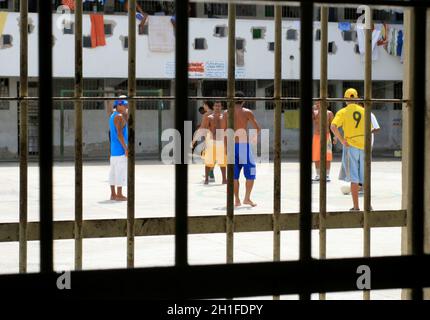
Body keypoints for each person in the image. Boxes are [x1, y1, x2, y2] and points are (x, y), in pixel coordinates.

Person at [331, 88, 372, 211]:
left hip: (350, 146)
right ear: (357, 98)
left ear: (345, 99)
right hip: (364, 146)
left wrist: (342, 139)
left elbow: (333, 126)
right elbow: (369, 128)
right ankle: (368, 206)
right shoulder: (364, 111)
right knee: (365, 176)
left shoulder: (342, 112)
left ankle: (356, 206)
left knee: (354, 178)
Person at [223, 91, 261, 207]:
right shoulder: (247, 112)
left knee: (233, 175)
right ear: (243, 101)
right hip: (243, 145)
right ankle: (247, 198)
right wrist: (253, 138)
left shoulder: (226, 113)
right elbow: (258, 128)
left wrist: (225, 148)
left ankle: (237, 200)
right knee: (251, 172)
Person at [200, 101, 227, 184]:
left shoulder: (224, 117)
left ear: (221, 107)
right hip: (211, 142)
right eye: (216, 106)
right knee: (208, 161)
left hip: (221, 142)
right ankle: (207, 179)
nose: (217, 107)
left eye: (219, 106)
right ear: (213, 107)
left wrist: (227, 144)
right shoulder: (209, 117)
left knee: (223, 162)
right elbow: (203, 129)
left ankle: (224, 179)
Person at [109, 97, 128, 201]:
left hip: (113, 150)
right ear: (119, 105)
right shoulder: (119, 117)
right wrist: (126, 148)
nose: (126, 107)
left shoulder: (112, 116)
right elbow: (119, 135)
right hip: (120, 150)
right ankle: (119, 194)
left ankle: (113, 194)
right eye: (124, 105)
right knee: (120, 172)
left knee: (112, 173)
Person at [312, 101, 336, 182]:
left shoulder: (329, 113)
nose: (318, 104)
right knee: (316, 156)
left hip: (327, 136)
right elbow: (314, 119)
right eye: (317, 103)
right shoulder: (314, 112)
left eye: (320, 102)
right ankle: (318, 175)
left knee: (328, 156)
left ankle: (327, 175)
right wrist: (316, 109)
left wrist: (335, 136)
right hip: (316, 136)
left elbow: (333, 125)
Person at [192, 101, 215, 182]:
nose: (203, 106)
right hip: (217, 137)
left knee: (208, 157)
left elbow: (202, 128)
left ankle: (211, 174)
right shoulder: (216, 113)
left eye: (204, 105)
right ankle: (210, 173)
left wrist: (194, 140)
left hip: (209, 138)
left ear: (206, 105)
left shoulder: (206, 114)